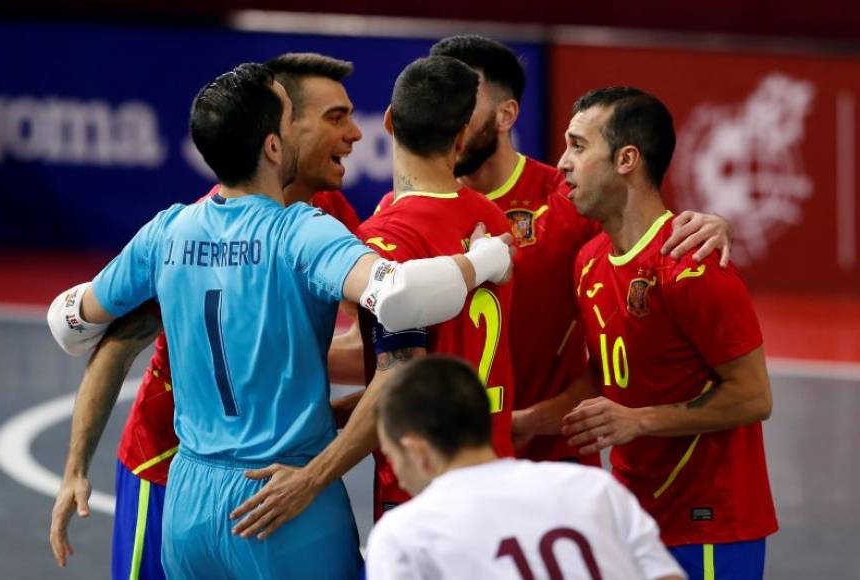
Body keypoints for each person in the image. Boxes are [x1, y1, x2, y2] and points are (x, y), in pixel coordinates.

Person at [47, 62, 513, 579]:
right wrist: (484, 261)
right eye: (291, 122)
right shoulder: (301, 232)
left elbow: (71, 324)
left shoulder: (166, 231)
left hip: (189, 499)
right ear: (273, 146)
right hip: (283, 498)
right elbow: (399, 295)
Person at [49, 53, 365, 579]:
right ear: (279, 135)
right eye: (335, 118)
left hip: (259, 468)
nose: (355, 133)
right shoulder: (196, 229)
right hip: (168, 462)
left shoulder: (326, 214)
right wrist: (75, 467)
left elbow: (354, 344)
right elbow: (118, 342)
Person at [226, 55, 516, 535]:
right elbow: (442, 358)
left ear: (388, 122)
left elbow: (398, 375)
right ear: (463, 135)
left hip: (420, 491)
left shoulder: (387, 239)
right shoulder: (493, 221)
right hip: (495, 470)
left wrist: (311, 478)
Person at [426, 35, 733, 464]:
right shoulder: (421, 210)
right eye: (437, 101)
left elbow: (647, 228)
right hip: (448, 457)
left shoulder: (569, 199)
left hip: (551, 459)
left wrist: (713, 223)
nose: (446, 119)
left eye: (462, 102)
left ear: (506, 114)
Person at [559, 87, 777, 579]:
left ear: (626, 159)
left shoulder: (693, 267)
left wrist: (638, 421)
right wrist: (520, 422)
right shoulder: (590, 262)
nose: (562, 163)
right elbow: (607, 379)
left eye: (577, 146)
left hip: (708, 526)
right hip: (634, 519)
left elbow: (754, 397)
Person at [366, 355, 686, 580]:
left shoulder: (404, 534)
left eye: (392, 456)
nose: (400, 478)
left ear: (417, 450)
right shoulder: (594, 488)